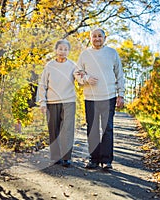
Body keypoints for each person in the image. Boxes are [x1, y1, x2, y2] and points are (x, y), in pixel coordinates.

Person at [75, 28, 125, 170]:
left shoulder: (112, 53)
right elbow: (77, 73)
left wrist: (121, 94)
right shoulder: (85, 54)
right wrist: (86, 78)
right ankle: (93, 159)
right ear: (90, 38)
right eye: (94, 36)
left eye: (99, 36)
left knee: (107, 128)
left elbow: (119, 74)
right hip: (90, 98)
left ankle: (107, 161)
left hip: (109, 96)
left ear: (105, 37)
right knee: (93, 128)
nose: (97, 39)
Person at [38, 39, 80, 167]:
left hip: (69, 102)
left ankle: (66, 157)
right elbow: (42, 84)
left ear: (68, 51)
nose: (62, 52)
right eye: (60, 49)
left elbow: (81, 80)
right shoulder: (49, 65)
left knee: (67, 129)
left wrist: (84, 76)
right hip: (51, 102)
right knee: (53, 129)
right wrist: (42, 102)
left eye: (65, 49)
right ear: (56, 50)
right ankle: (56, 157)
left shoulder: (73, 65)